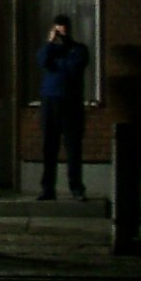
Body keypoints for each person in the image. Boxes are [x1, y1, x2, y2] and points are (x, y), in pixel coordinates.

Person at [34, 15, 89, 201]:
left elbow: (73, 68)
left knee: (73, 147)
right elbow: (42, 61)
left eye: (63, 26)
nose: (61, 30)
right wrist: (50, 43)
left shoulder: (79, 49)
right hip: (50, 101)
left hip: (71, 102)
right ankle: (48, 188)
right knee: (49, 146)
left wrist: (56, 63)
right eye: (58, 27)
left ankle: (76, 187)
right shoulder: (50, 50)